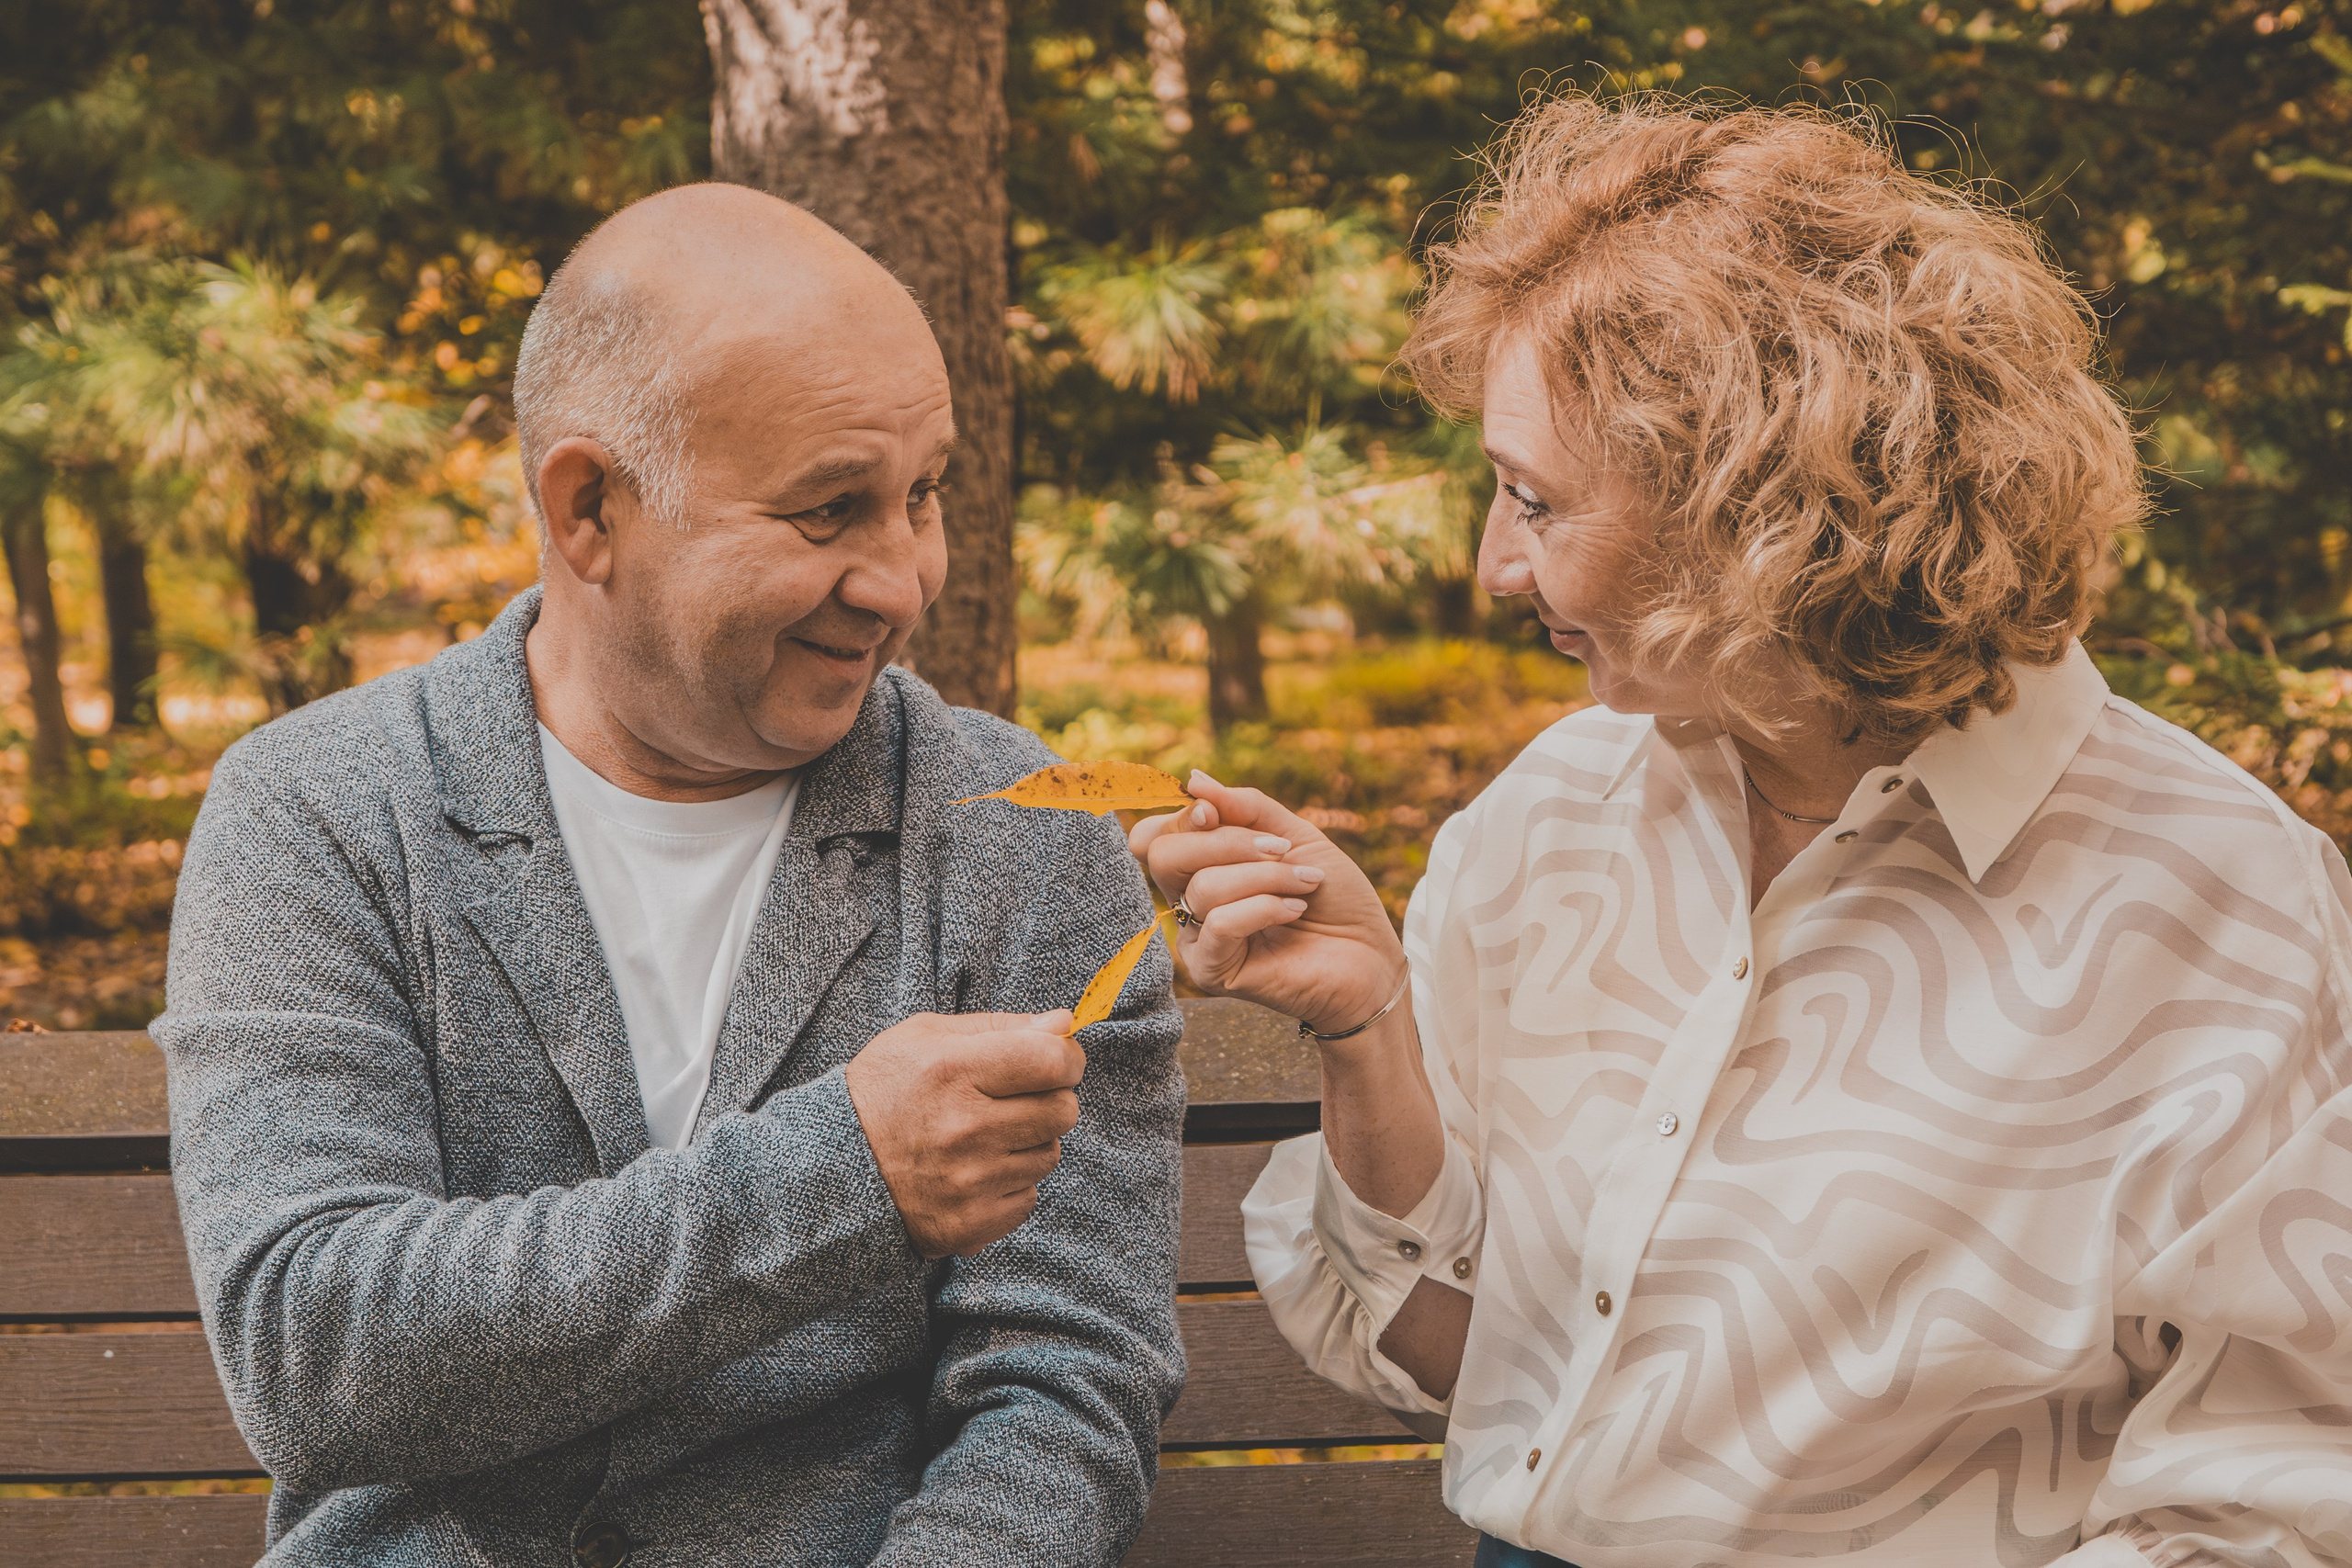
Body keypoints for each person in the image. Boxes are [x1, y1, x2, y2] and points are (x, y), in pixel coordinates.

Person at [1136, 96, 2352, 1567]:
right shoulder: (1550, 814)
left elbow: (2267, 1507)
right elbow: (1480, 1373)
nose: (1492, 567)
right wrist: (1368, 1027)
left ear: (1760, 517)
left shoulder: (2225, 907)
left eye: (1535, 501)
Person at [157, 184, 1185, 1567]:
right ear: (589, 509)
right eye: (829, 512)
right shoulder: (321, 810)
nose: (903, 581)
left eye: (922, 496)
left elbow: (1065, 1389)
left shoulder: (1016, 833)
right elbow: (316, 1354)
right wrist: (844, 1177)